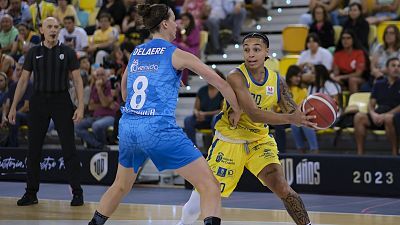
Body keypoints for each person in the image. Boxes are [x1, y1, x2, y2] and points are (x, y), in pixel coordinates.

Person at [87, 4, 240, 225]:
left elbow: (123, 89)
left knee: (120, 186)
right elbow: (219, 82)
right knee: (210, 185)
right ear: (165, 24)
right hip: (157, 128)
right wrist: (237, 108)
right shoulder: (176, 54)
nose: (177, 24)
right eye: (174, 19)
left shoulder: (137, 52)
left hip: (129, 126)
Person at [176, 33, 315, 225]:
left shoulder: (277, 81)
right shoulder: (236, 76)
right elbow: (253, 113)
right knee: (201, 199)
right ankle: (183, 222)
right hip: (229, 140)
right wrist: (291, 118)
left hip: (259, 140)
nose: (250, 54)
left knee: (281, 186)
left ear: (267, 52)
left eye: (256, 49)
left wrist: (308, 115)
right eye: (246, 49)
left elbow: (291, 109)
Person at [8, 17, 85, 206]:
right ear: (41, 29)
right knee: (33, 150)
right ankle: (31, 193)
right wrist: (13, 107)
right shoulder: (33, 52)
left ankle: (77, 193)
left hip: (61, 101)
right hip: (39, 101)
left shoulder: (67, 51)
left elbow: (77, 80)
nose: (53, 29)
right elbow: (23, 81)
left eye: (56, 27)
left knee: (69, 149)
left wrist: (81, 105)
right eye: (49, 26)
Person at [354, 57, 400, 156]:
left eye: (398, 66)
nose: (396, 68)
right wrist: (373, 114)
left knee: (388, 118)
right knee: (359, 117)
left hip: (395, 116)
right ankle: (360, 154)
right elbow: (371, 103)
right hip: (379, 115)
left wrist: (385, 115)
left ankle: (394, 154)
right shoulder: (379, 84)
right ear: (387, 69)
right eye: (393, 66)